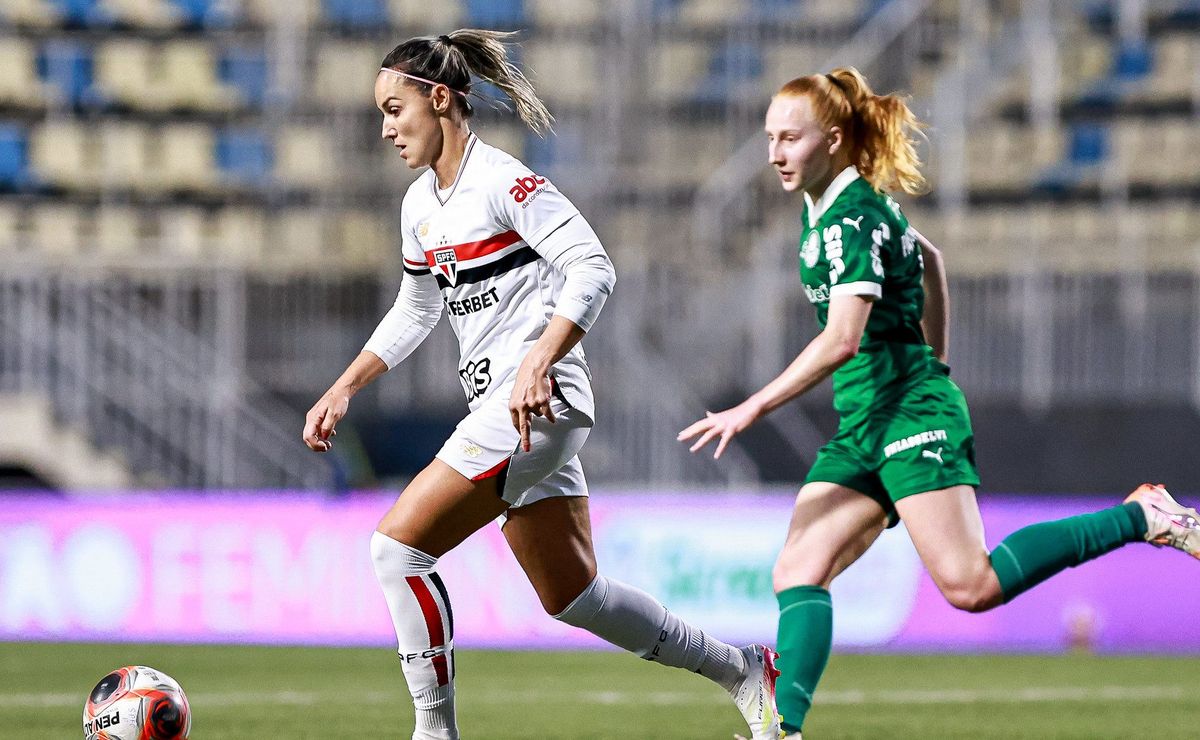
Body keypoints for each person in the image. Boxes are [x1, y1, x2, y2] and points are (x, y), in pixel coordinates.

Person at [679, 66, 1200, 737]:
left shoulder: (849, 219)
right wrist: (938, 360)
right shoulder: (839, 208)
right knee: (799, 569)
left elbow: (842, 339)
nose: (776, 153)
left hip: (907, 416)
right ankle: (783, 726)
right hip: (867, 416)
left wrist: (753, 407)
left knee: (971, 587)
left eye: (791, 138)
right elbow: (932, 262)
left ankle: (1143, 516)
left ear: (833, 140)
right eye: (770, 138)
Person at [302, 29, 782, 740]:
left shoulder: (504, 181)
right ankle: (741, 670)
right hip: (510, 409)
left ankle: (435, 733)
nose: (386, 128)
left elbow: (593, 266)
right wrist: (346, 384)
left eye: (394, 109)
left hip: (537, 401)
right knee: (576, 597)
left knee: (397, 549)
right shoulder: (420, 206)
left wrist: (539, 358)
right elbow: (417, 306)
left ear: (439, 99)